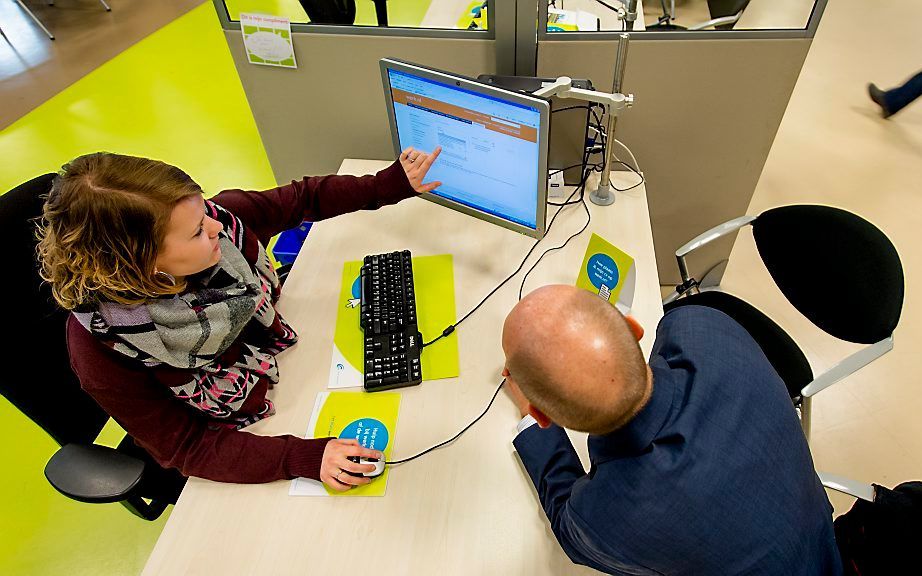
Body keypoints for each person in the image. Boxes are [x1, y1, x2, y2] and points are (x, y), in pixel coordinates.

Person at [37, 148, 441, 494]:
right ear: (144, 266)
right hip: (235, 431)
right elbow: (187, 448)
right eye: (197, 232)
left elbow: (305, 198)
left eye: (204, 213)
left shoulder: (221, 222)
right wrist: (301, 456)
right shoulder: (104, 351)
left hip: (284, 365)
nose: (217, 228)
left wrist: (390, 183)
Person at [501, 285, 842, 575]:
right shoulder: (699, 323)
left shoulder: (610, 514)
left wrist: (530, 418)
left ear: (543, 415)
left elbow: (568, 528)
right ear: (634, 328)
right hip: (822, 538)